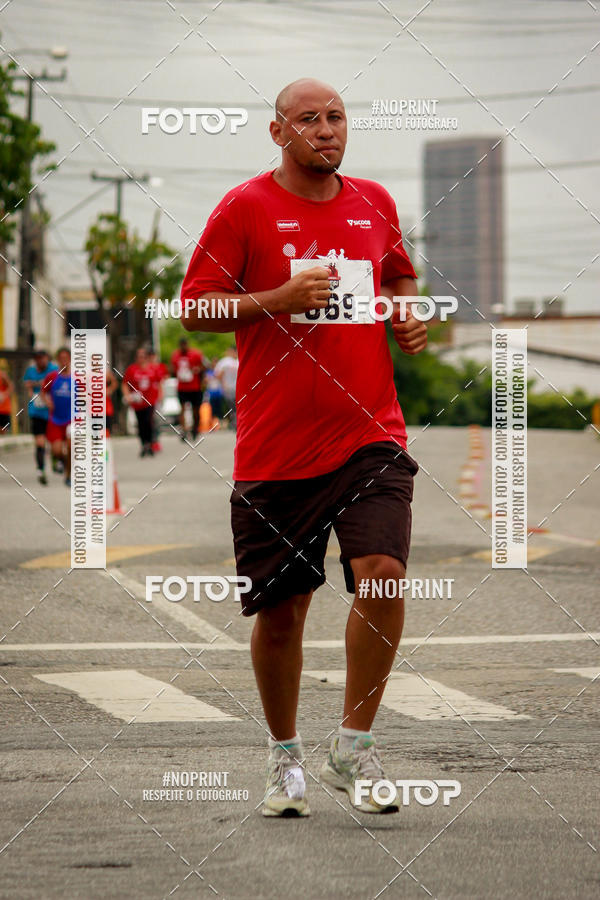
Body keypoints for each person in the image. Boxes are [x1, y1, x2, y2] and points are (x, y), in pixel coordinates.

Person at [181, 78, 428, 818]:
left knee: (382, 573)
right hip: (276, 449)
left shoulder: (375, 203)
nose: (326, 130)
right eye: (309, 119)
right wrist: (275, 302)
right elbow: (195, 307)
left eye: (337, 117)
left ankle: (353, 747)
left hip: (369, 433)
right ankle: (285, 758)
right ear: (278, 132)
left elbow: (398, 272)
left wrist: (407, 314)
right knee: (283, 612)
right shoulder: (244, 208)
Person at [24, 349, 58, 483]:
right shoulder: (30, 371)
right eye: (38, 358)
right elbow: (28, 385)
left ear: (47, 358)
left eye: (42, 358)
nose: (40, 361)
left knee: (54, 442)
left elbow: (53, 383)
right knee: (40, 442)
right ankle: (40, 469)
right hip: (36, 411)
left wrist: (36, 384)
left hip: (51, 411)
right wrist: (34, 387)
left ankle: (56, 460)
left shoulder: (53, 369)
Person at [43, 347, 73, 487]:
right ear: (57, 360)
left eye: (66, 358)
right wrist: (47, 402)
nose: (63, 361)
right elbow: (43, 391)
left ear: (70, 359)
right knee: (57, 450)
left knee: (71, 448)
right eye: (61, 358)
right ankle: (58, 460)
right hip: (55, 419)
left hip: (72, 420)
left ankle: (68, 476)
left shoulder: (76, 378)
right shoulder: (52, 377)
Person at [122, 347, 159, 457]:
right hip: (137, 402)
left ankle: (151, 443)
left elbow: (159, 382)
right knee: (141, 424)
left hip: (150, 401)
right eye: (139, 357)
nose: (141, 359)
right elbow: (125, 384)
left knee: (148, 422)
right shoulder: (132, 369)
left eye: (143, 356)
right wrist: (127, 396)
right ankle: (144, 444)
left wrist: (160, 395)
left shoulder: (152, 368)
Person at [170, 337, 205, 441]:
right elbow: (172, 369)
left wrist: (197, 370)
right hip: (182, 387)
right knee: (182, 409)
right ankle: (184, 430)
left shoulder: (196, 354)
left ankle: (195, 428)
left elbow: (203, 367)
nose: (183, 347)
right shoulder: (175, 355)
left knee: (196, 410)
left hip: (195, 387)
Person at [147, 349, 169, 451]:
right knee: (148, 420)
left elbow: (162, 381)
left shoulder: (160, 367)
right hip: (147, 397)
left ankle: (155, 440)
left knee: (156, 420)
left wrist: (161, 394)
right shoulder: (147, 368)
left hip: (156, 397)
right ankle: (149, 440)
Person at [214, 347, 238, 431]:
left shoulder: (229, 361)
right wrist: (223, 384)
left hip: (233, 388)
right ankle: (235, 422)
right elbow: (219, 374)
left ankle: (235, 422)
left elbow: (218, 374)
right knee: (234, 406)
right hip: (232, 388)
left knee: (234, 406)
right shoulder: (227, 361)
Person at [205, 357, 224, 425]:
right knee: (212, 409)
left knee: (220, 408)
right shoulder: (209, 371)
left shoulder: (219, 371)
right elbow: (206, 380)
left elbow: (221, 378)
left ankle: (220, 422)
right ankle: (213, 423)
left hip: (219, 393)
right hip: (211, 393)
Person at [0, 364, 14, 433]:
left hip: (3, 409)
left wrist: (4, 395)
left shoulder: (2, 375)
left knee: (3, 430)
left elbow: (11, 387)